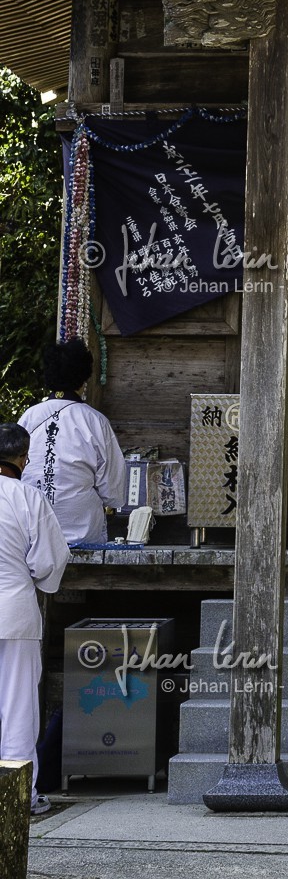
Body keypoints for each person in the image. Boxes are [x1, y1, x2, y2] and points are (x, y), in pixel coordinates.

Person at [0, 422, 70, 816]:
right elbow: (49, 562)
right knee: (17, 707)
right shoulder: (27, 496)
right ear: (23, 459)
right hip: (14, 610)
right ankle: (19, 795)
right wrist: (37, 579)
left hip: (14, 607)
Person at [19, 340, 126, 546]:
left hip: (31, 535)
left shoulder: (28, 417)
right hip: (82, 533)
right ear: (83, 379)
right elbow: (113, 493)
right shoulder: (95, 421)